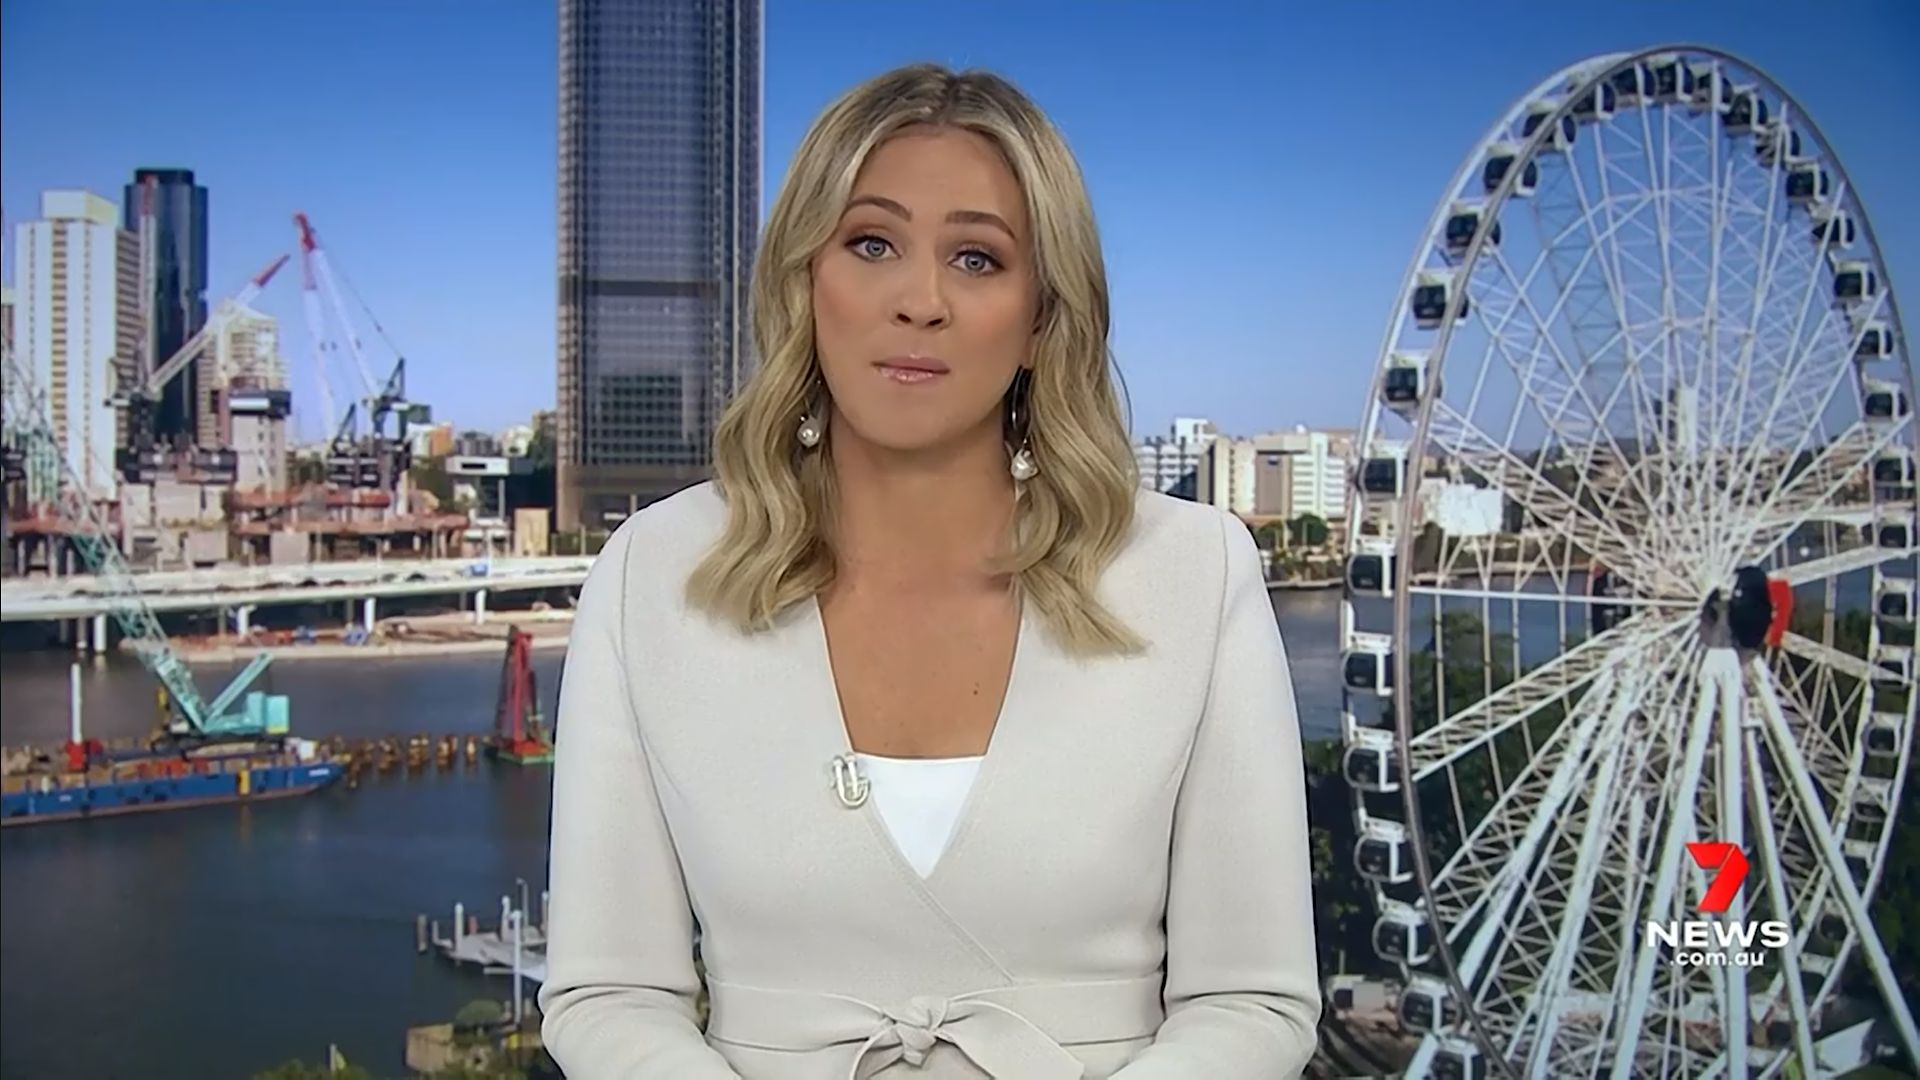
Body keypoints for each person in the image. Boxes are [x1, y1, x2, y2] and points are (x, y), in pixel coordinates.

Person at [538, 62, 1321, 1079]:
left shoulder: (1194, 574)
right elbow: (609, 995)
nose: (920, 301)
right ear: (804, 280)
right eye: (872, 244)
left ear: (1041, 319)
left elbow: (1250, 1002)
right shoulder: (654, 574)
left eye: (977, 259)